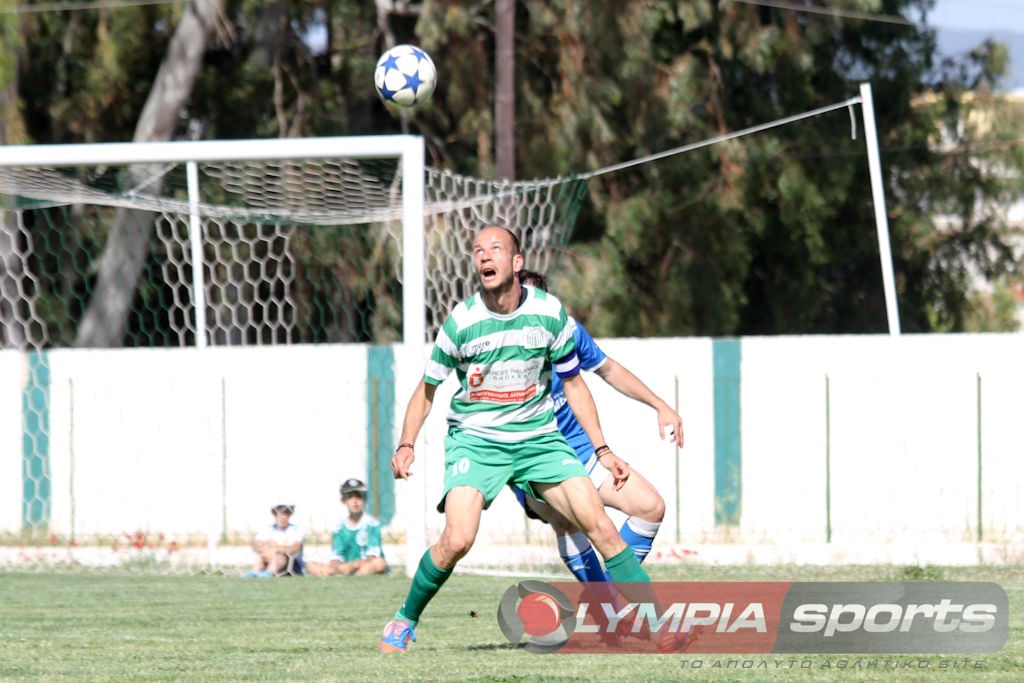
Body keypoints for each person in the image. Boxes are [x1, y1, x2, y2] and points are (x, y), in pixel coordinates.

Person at [378, 224, 651, 654]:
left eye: (496, 249)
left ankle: (656, 626)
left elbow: (575, 385)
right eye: (478, 251)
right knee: (458, 539)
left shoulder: (549, 313)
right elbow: (427, 388)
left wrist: (603, 449)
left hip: (539, 440)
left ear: (516, 262)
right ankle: (404, 619)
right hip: (477, 440)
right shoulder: (462, 321)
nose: (485, 257)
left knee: (598, 523)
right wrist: (406, 443)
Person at [513, 269, 683, 582]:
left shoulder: (566, 330)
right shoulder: (497, 348)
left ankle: (612, 602)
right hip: (531, 457)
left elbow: (608, 369)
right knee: (570, 520)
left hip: (579, 449)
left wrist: (660, 405)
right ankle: (609, 606)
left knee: (650, 507)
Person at [307, 478, 388, 576]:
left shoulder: (372, 525)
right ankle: (339, 575)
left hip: (363, 567)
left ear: (365, 499)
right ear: (343, 500)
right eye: (350, 497)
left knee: (379, 563)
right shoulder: (339, 528)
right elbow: (336, 556)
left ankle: (352, 576)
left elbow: (372, 557)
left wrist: (353, 565)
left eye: (358, 497)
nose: (354, 501)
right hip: (344, 568)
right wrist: (335, 566)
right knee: (310, 565)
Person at [244, 502, 305, 577]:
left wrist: (276, 549)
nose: (283, 517)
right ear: (274, 514)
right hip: (268, 557)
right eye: (279, 513)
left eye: (286, 513)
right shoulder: (267, 529)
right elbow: (256, 545)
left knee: (280, 557)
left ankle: (268, 573)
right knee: (261, 555)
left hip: (291, 564)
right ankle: (254, 572)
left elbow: (296, 548)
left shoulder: (296, 529)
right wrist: (267, 548)